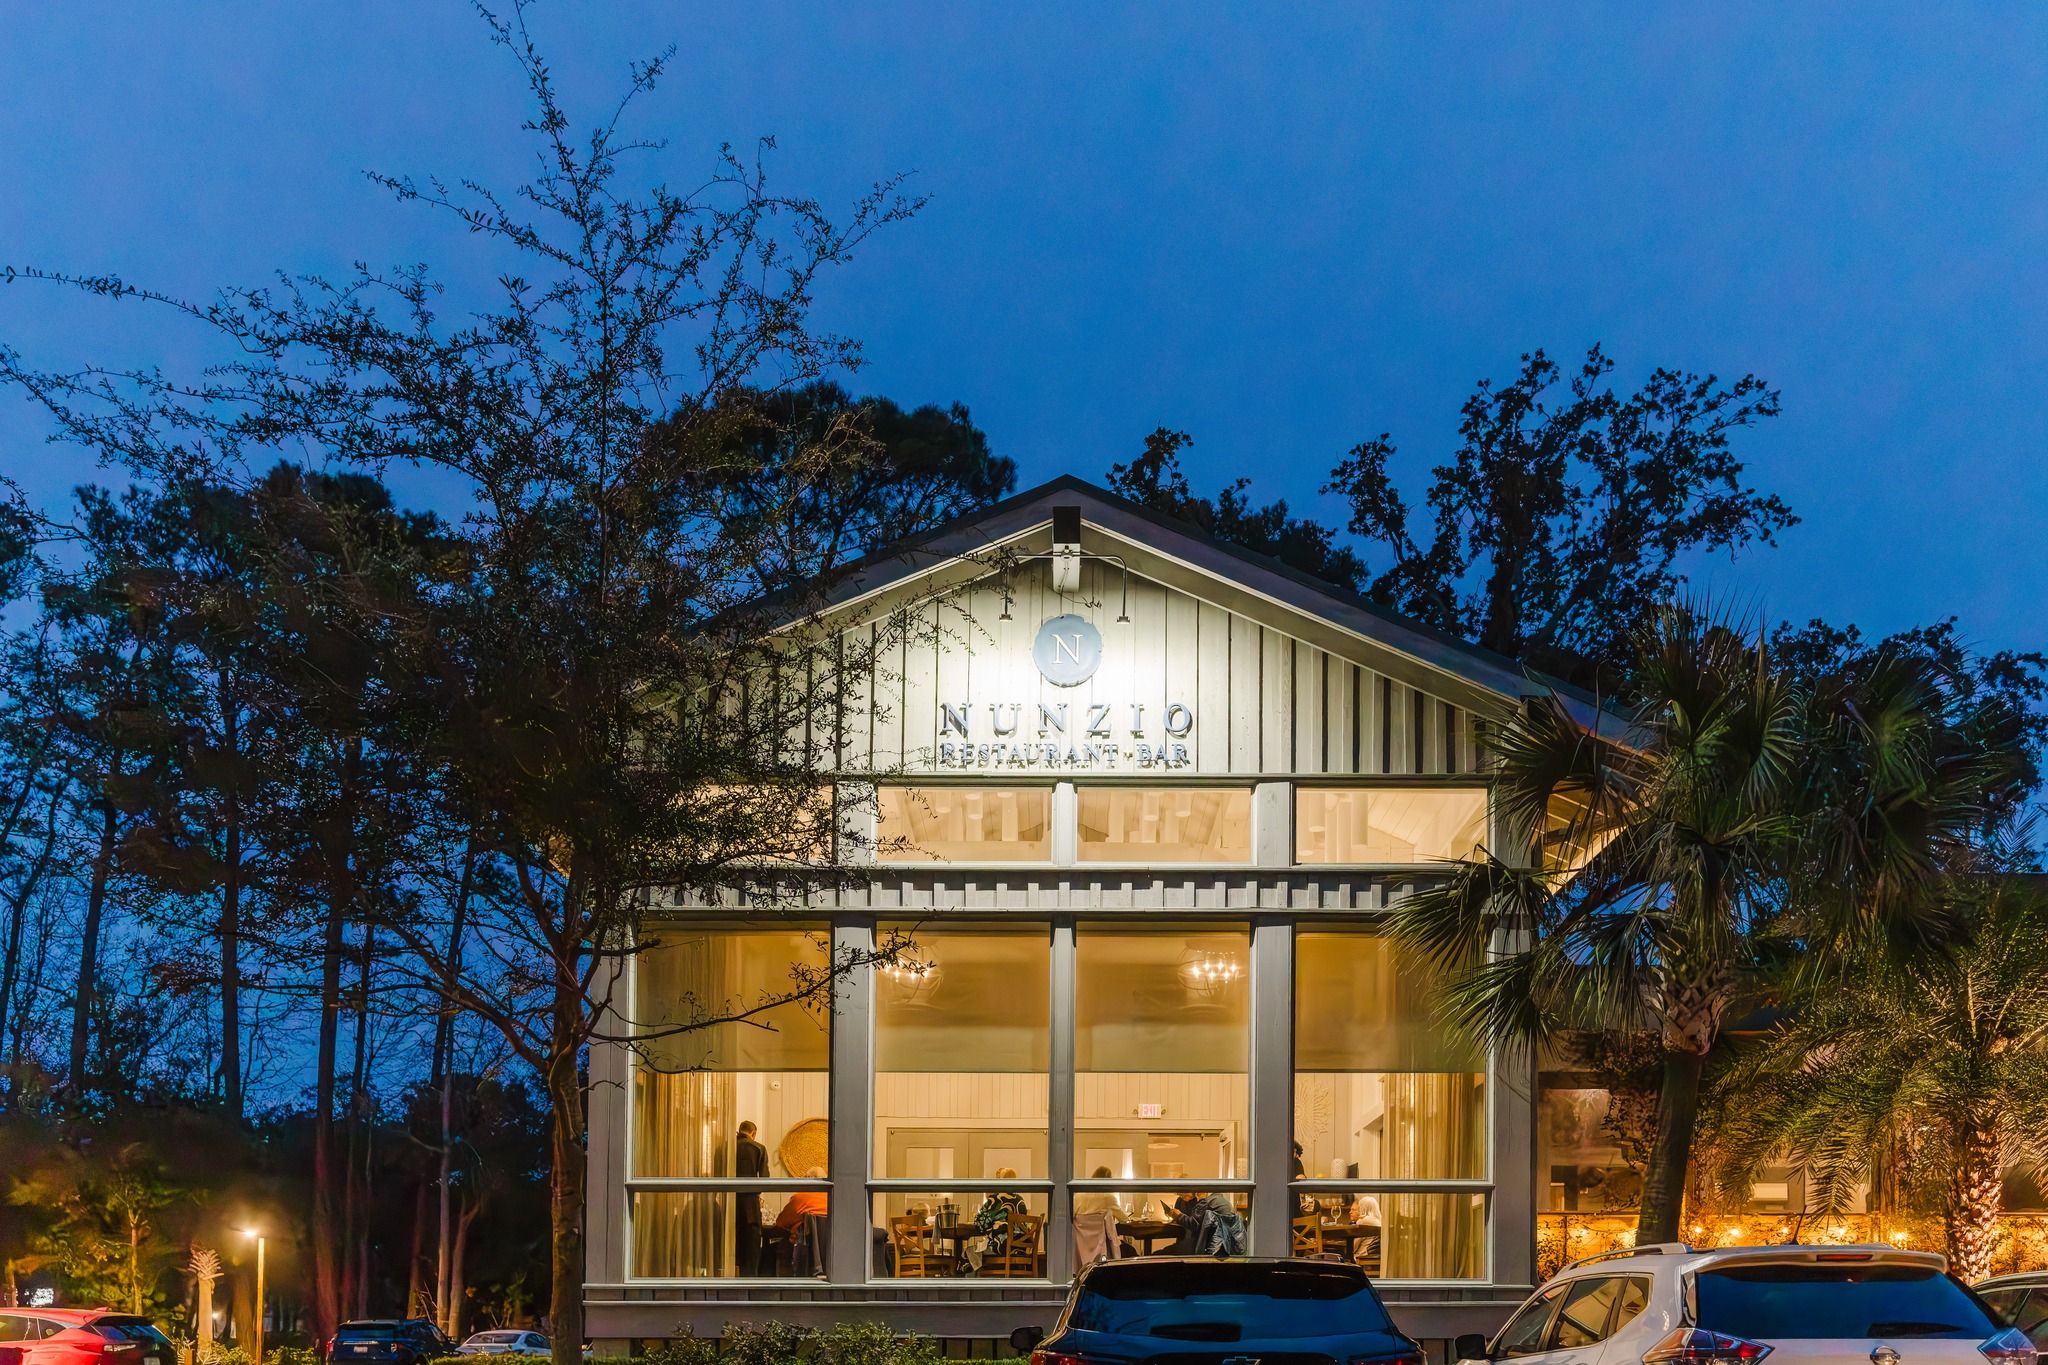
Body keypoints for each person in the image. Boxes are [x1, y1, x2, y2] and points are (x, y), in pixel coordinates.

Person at [963, 1168, 1028, 1272]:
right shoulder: (1021, 1200)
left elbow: (980, 1224)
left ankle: (972, 1284)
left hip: (1002, 1246)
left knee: (967, 1252)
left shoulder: (996, 1199)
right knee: (976, 1251)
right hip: (1021, 1247)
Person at [734, 1121, 769, 1275]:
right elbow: (765, 1181)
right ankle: (750, 1285)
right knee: (752, 1251)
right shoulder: (758, 1148)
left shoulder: (724, 1148)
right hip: (750, 1208)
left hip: (730, 1205)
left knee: (732, 1248)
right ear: (753, 1133)